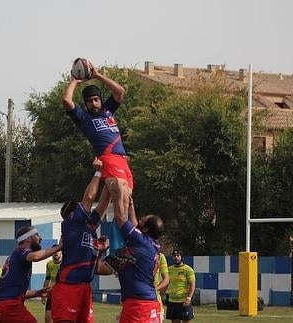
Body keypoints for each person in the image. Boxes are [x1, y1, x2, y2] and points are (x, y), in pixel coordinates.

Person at [62, 59, 132, 264]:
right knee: (119, 193)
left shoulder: (108, 110)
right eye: (89, 101)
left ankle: (118, 250)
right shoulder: (84, 118)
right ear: (85, 104)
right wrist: (75, 81)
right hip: (109, 159)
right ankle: (123, 248)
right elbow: (66, 101)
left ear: (100, 101)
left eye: (96, 100)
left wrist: (97, 75)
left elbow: (120, 92)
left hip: (123, 161)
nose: (93, 103)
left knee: (125, 201)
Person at [51, 157, 112, 323]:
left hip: (85, 288)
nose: (84, 207)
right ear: (71, 213)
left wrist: (110, 178)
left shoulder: (89, 227)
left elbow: (103, 205)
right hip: (68, 288)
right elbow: (89, 198)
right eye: (79, 207)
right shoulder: (71, 224)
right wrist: (99, 171)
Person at [0, 226, 62, 323]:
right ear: (28, 238)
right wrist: (59, 247)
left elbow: (15, 291)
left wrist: (38, 293)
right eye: (37, 235)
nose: (40, 238)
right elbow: (36, 256)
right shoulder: (22, 251)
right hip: (9, 306)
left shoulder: (15, 256)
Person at [112, 195, 165, 323]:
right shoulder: (152, 244)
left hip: (138, 305)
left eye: (143, 220)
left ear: (146, 229)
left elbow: (120, 218)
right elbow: (137, 228)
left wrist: (117, 194)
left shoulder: (140, 241)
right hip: (149, 302)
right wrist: (131, 207)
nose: (140, 219)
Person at [166, 250, 196, 323]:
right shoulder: (169, 269)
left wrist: (188, 298)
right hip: (172, 301)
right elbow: (165, 283)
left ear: (181, 257)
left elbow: (193, 285)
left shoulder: (188, 269)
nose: (176, 257)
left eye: (178, 255)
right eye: (174, 256)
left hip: (184, 301)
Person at [41, 245, 62, 323]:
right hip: (52, 293)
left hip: (62, 294)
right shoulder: (49, 264)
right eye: (54, 251)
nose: (56, 253)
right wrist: (43, 292)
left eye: (58, 251)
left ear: (61, 252)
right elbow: (47, 279)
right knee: (47, 317)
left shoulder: (65, 264)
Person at [155, 252, 170, 323]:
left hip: (154, 300)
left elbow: (166, 280)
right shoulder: (133, 253)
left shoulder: (160, 256)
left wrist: (156, 291)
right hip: (134, 300)